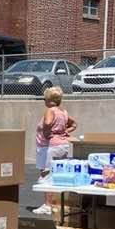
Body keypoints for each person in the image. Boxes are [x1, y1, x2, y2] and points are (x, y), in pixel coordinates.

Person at [33, 86, 77, 216]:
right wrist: (64, 131)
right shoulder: (63, 112)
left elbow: (47, 123)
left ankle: (48, 205)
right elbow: (74, 124)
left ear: (49, 100)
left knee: (46, 174)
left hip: (49, 146)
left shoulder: (50, 111)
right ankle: (56, 203)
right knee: (57, 174)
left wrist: (47, 133)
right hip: (62, 145)